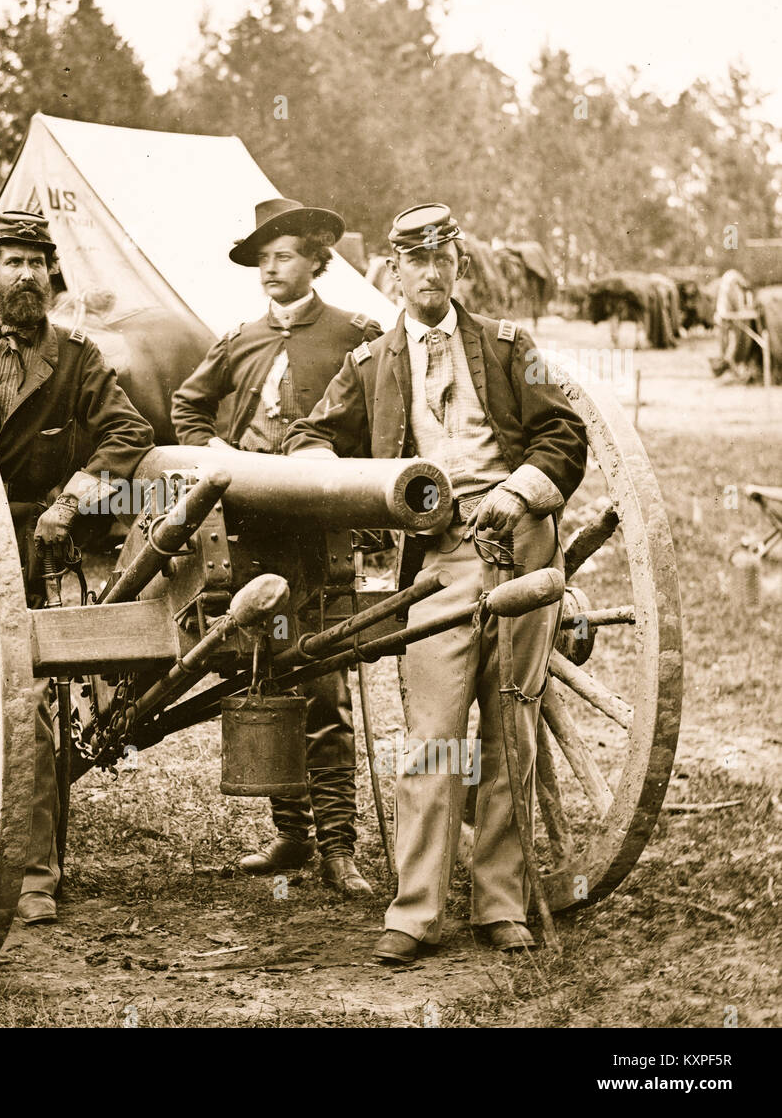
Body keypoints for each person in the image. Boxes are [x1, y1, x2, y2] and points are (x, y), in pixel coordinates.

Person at [284, 204, 588, 962]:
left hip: (521, 547)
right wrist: (344, 483)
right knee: (433, 737)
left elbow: (566, 431)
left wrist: (518, 491)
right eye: (413, 260)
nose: (428, 272)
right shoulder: (370, 366)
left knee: (511, 723)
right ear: (392, 270)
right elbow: (309, 438)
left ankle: (499, 904)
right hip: (438, 566)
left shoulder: (513, 346)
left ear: (457, 265)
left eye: (440, 257)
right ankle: (416, 910)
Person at [0, 209, 154, 925]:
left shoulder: (76, 358)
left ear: (51, 275)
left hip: (38, 548)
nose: (24, 275)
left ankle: (35, 873)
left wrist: (71, 501)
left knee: (34, 710)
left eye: (36, 262)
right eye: (10, 261)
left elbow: (129, 432)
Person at [171, 198, 383, 898]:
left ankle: (340, 847)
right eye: (262, 258)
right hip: (255, 537)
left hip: (321, 539)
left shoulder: (356, 335)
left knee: (325, 689)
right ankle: (291, 833)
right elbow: (187, 408)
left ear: (317, 261)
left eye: (284, 254)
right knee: (268, 675)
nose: (271, 268)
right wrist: (216, 454)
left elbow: (383, 418)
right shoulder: (236, 340)